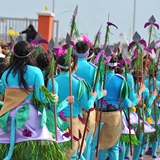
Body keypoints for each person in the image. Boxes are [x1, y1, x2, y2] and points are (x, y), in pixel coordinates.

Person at [0, 41, 67, 160]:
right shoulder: (36, 72)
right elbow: (41, 97)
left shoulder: (6, 74)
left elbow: (4, 93)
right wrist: (53, 98)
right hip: (30, 116)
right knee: (32, 154)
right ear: (30, 54)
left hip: (9, 114)